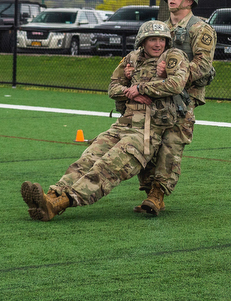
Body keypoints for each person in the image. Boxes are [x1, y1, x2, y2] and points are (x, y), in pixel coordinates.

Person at [22, 20, 190, 221]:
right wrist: (130, 93)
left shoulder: (173, 56)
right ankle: (50, 195)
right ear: (142, 41)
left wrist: (142, 88)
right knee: (88, 158)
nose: (157, 44)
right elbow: (113, 87)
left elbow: (177, 84)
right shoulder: (132, 58)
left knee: (108, 168)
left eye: (162, 40)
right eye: (152, 39)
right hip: (122, 126)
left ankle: (58, 204)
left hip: (145, 132)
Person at [128, 0, 216, 213]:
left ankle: (158, 194)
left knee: (172, 145)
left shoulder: (200, 28)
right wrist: (131, 69)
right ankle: (149, 191)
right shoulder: (160, 28)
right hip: (154, 94)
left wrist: (173, 77)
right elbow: (143, 56)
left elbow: (204, 65)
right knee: (145, 142)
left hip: (183, 97)